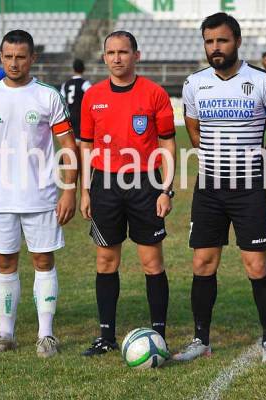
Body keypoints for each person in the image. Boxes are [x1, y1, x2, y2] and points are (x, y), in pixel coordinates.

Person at [173, 13, 266, 365]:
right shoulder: (194, 83)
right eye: (209, 42)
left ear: (237, 41)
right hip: (209, 187)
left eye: (221, 40)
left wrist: (260, 167)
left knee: (256, 265)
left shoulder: (264, 80)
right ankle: (201, 340)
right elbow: (193, 130)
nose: (215, 48)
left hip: (248, 189)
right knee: (203, 263)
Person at [0, 30, 78, 358]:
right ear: (1, 58)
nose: (14, 63)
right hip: (0, 198)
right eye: (8, 57)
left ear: (32, 58)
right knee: (4, 263)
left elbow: (68, 146)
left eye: (20, 57)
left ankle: (46, 334)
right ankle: (5, 333)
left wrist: (69, 190)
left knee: (43, 260)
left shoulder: (47, 96)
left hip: (41, 196)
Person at [79, 31, 176, 356]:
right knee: (106, 260)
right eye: (111, 52)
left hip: (145, 184)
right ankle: (106, 336)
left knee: (151, 261)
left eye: (123, 52)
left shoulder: (154, 93)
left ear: (137, 55)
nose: (117, 58)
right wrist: (85, 190)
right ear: (104, 57)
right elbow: (86, 146)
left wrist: (166, 189)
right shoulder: (92, 96)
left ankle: (159, 334)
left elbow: (167, 144)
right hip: (105, 185)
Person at [60, 59, 91, 144]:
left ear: (73, 69)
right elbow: (92, 98)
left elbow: (61, 101)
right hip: (80, 117)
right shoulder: (85, 84)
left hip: (68, 116)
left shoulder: (65, 84)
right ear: (83, 69)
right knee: (81, 143)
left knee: (69, 143)